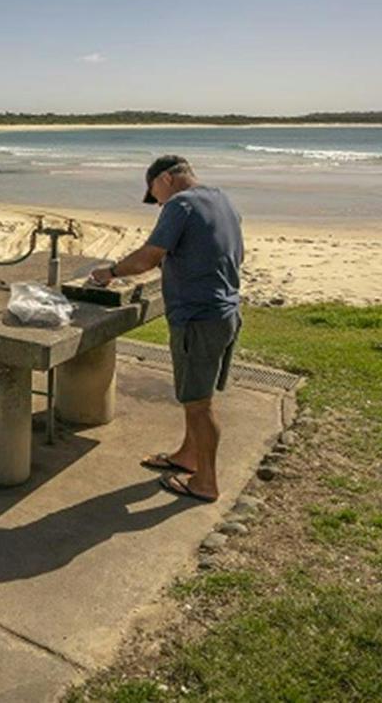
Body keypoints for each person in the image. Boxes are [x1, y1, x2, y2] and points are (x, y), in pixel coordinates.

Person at [90, 155, 243, 503]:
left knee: (199, 405)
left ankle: (205, 482)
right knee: (195, 398)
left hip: (198, 318)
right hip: (225, 311)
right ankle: (188, 457)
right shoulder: (222, 200)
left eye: (153, 193)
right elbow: (230, 256)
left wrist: (109, 273)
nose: (156, 202)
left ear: (166, 179)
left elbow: (148, 258)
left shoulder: (179, 205)